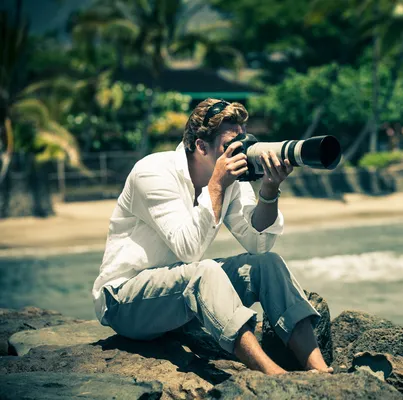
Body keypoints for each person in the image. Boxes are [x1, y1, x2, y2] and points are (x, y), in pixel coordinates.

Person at [91, 98, 332, 375]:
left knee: (269, 264)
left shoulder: (229, 177)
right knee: (203, 272)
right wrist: (217, 184)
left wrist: (268, 190)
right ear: (201, 146)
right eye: (229, 144)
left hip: (178, 302)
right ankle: (274, 376)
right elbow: (189, 251)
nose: (237, 151)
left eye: (241, 141)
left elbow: (258, 243)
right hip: (124, 301)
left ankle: (320, 370)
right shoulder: (153, 173)